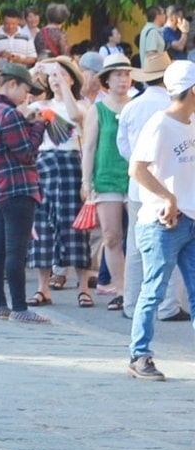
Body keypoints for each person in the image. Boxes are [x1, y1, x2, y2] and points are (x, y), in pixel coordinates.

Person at [125, 60, 195, 381]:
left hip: (190, 219)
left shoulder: (191, 123)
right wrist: (168, 198)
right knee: (153, 290)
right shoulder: (159, 124)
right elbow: (136, 169)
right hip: (160, 222)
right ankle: (139, 354)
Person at [0, 61, 50, 322]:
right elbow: (27, 152)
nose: (26, 98)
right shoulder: (8, 114)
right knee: (16, 250)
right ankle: (19, 308)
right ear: (12, 85)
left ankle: (0, 305)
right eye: (25, 92)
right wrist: (39, 126)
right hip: (18, 187)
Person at [119, 51, 189, 320]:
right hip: (173, 187)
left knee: (136, 249)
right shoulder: (173, 111)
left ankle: (130, 303)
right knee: (173, 252)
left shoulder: (132, 106)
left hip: (139, 187)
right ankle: (168, 305)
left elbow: (123, 146)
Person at [28, 59, 92, 307]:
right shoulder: (39, 105)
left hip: (70, 163)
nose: (55, 78)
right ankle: (42, 288)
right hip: (44, 163)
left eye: (62, 74)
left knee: (74, 226)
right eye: (53, 75)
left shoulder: (81, 106)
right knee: (42, 225)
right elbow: (21, 111)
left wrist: (64, 83)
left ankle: (83, 287)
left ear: (72, 78)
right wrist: (34, 72)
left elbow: (76, 116)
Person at [81, 53, 133, 308]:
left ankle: (136, 289)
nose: (123, 79)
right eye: (117, 75)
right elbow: (89, 147)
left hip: (135, 178)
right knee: (112, 236)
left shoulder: (137, 105)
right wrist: (86, 181)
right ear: (107, 80)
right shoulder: (97, 109)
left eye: (126, 74)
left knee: (137, 237)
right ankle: (120, 290)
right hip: (107, 178)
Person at [0, 14, 37, 81]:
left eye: (13, 24)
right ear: (3, 21)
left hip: (21, 75)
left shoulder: (26, 36)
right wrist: (0, 54)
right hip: (2, 75)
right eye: (7, 24)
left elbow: (32, 58)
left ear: (18, 21)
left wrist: (20, 60)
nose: (10, 26)